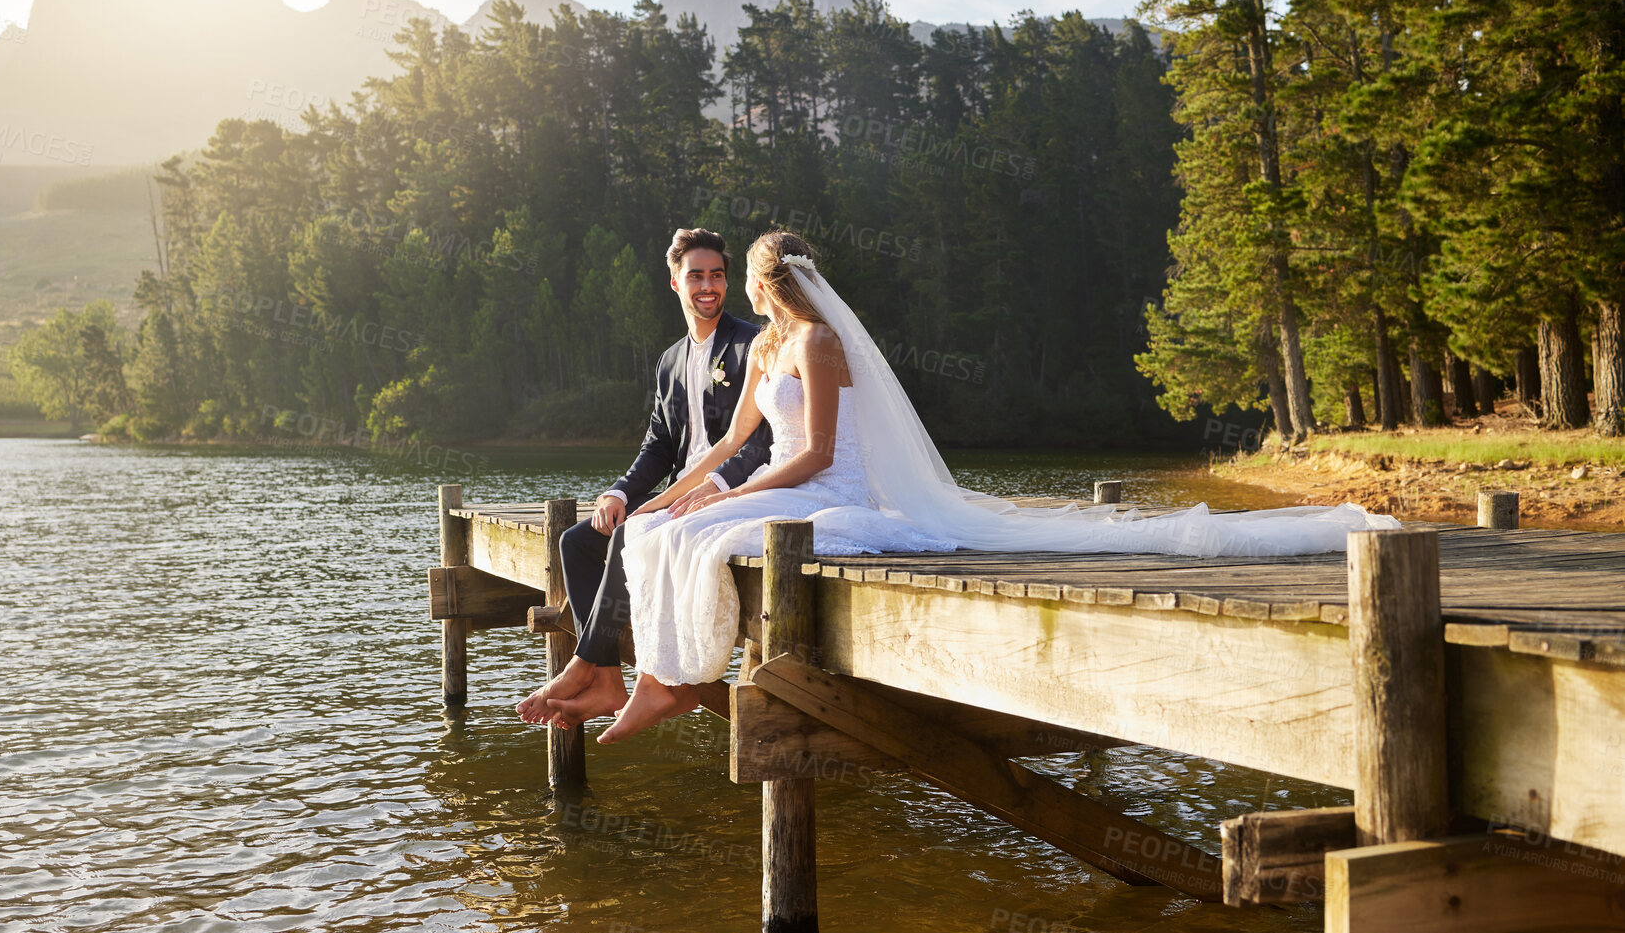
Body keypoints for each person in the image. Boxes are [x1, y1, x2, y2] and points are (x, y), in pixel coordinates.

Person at [592, 229, 1402, 743]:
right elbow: (735, 440)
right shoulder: (767, 349)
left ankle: (675, 681)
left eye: (750, 281)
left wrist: (728, 498)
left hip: (817, 487)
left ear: (769, 284)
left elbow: (816, 455)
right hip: (773, 480)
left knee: (708, 532)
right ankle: (662, 675)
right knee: (660, 529)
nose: (743, 293)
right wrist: (670, 494)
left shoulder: (817, 343)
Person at [514, 228, 772, 728]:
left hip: (731, 488)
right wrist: (619, 491)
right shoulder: (669, 362)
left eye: (717, 275)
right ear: (675, 282)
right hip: (681, 487)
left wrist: (714, 486)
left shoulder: (751, 345)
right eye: (695, 275)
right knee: (578, 542)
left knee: (633, 533)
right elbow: (657, 447)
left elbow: (763, 442)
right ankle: (609, 678)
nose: (708, 286)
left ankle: (581, 664)